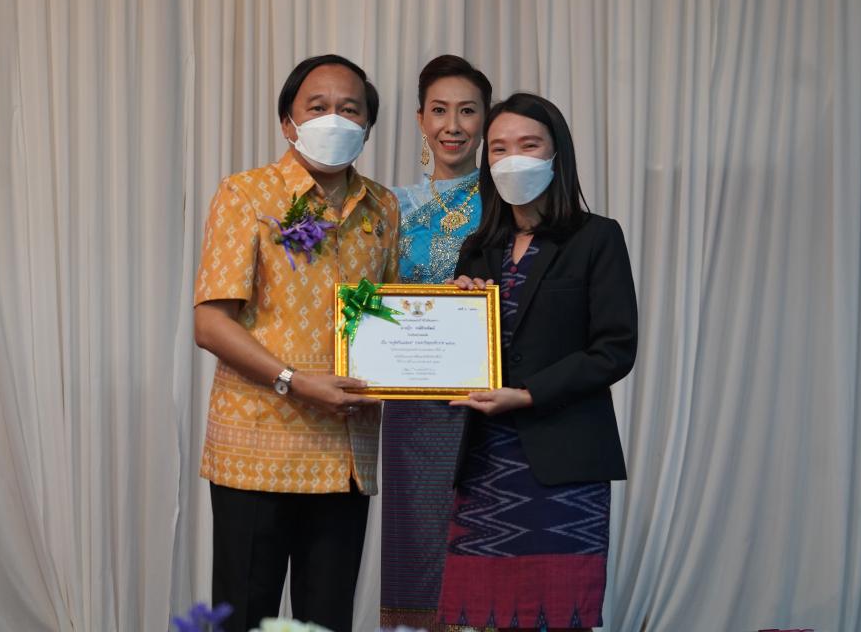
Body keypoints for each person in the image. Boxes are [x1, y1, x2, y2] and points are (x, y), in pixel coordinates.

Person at [192, 54, 399, 632]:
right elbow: (211, 323)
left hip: (344, 453)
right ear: (288, 121)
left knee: (327, 619)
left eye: (349, 108)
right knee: (242, 617)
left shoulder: (383, 207)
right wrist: (294, 380)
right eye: (318, 106)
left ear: (367, 126)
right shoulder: (246, 194)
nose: (334, 118)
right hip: (257, 447)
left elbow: (390, 317)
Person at [440, 93, 638, 631]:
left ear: (556, 155)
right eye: (499, 149)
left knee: (558, 616)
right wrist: (455, 314)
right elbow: (458, 361)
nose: (513, 160)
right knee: (481, 618)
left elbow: (614, 349)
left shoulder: (597, 237)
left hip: (564, 463)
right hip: (484, 462)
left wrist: (528, 395)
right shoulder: (476, 249)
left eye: (528, 145)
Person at [380, 55, 493, 631]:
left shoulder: (507, 205)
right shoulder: (388, 206)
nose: (453, 125)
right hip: (410, 406)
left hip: (487, 404)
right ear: (420, 119)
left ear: (485, 120)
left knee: (485, 541)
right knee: (417, 541)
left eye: (467, 112)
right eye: (440, 110)